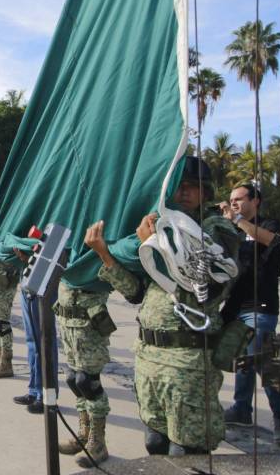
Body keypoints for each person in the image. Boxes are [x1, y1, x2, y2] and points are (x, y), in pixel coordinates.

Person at [98, 156, 240, 456]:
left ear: (207, 191)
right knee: (155, 442)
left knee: (187, 450)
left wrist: (157, 245)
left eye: (192, 186)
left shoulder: (215, 228)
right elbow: (138, 292)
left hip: (187, 360)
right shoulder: (161, 225)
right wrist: (105, 257)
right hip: (149, 357)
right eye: (179, 186)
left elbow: (204, 284)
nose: (184, 192)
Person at [219, 183, 280, 444]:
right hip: (235, 306)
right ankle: (242, 409)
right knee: (242, 361)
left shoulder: (267, 224)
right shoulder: (229, 230)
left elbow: (272, 241)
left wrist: (237, 220)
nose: (233, 203)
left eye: (239, 199)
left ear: (255, 200)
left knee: (263, 360)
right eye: (231, 199)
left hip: (261, 306)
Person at [53, 224, 114, 466]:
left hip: (88, 326)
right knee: (72, 379)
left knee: (88, 383)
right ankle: (84, 432)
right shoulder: (69, 235)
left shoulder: (96, 238)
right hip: (68, 323)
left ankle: (98, 443)